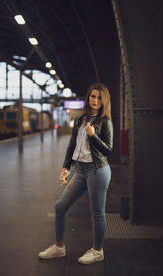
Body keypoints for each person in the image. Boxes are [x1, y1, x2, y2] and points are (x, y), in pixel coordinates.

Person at [38, 82, 113, 265]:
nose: (95, 100)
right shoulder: (80, 120)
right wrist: (66, 167)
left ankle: (97, 250)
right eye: (92, 96)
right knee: (60, 207)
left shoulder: (106, 122)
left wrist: (93, 135)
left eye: (99, 97)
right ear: (88, 98)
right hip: (80, 170)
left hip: (97, 170)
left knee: (96, 212)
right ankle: (59, 247)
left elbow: (108, 150)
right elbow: (72, 145)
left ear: (104, 101)